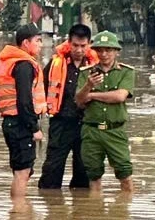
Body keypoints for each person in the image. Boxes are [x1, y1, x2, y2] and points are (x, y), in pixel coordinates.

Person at [39, 24, 98, 190]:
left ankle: (81, 210)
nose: (79, 50)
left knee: (84, 174)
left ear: (89, 45)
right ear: (69, 43)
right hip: (61, 122)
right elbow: (40, 90)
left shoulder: (96, 66)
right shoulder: (55, 64)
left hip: (87, 125)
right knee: (52, 171)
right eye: (75, 46)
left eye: (83, 46)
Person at [75, 30, 135, 194]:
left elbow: (120, 96)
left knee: (125, 173)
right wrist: (88, 85)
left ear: (116, 51)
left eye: (108, 49)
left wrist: (92, 94)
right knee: (93, 176)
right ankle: (96, 211)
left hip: (115, 130)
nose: (104, 54)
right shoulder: (86, 73)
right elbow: (79, 101)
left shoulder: (126, 72)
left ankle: (124, 211)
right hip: (92, 131)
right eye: (100, 50)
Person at [0, 24, 46, 199]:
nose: (41, 45)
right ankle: (19, 212)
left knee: (22, 171)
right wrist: (34, 128)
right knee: (22, 172)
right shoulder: (24, 65)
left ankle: (18, 211)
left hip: (13, 122)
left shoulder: (13, 61)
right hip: (20, 124)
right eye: (38, 41)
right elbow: (24, 101)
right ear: (26, 43)